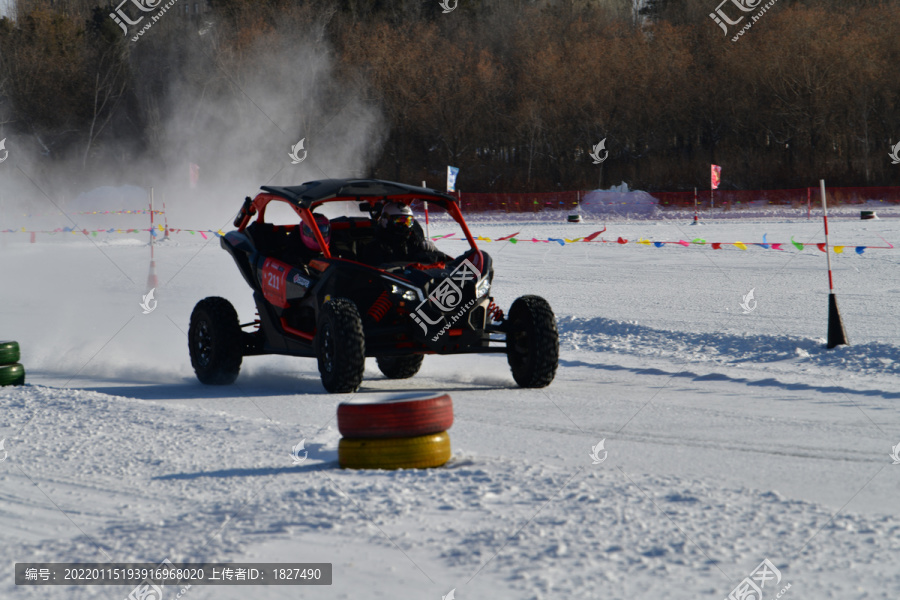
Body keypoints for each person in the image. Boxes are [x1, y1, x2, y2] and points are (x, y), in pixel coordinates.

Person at [361, 202, 449, 266]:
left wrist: (431, 251)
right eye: (399, 221)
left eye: (408, 221)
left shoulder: (414, 242)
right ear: (385, 221)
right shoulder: (375, 248)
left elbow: (442, 261)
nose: (405, 226)